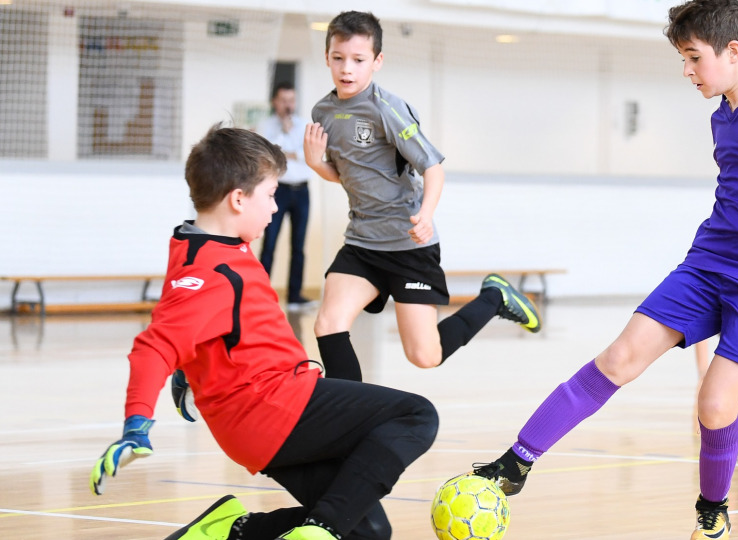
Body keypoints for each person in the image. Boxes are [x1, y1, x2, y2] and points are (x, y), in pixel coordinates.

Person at [470, 1, 738, 538]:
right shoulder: (721, 115)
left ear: (733, 51)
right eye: (681, 59)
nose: (686, 71)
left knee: (714, 404)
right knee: (619, 358)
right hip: (710, 261)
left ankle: (713, 509)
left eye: (692, 58)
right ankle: (516, 462)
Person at [89, 124, 438, 540]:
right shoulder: (211, 272)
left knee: (368, 531)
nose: (275, 209)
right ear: (238, 199)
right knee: (416, 415)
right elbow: (156, 345)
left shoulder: (206, 246)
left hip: (259, 425)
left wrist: (192, 368)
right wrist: (136, 425)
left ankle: (230, 531)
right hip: (275, 408)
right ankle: (320, 530)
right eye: (271, 195)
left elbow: (209, 328)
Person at [303, 11, 541, 382]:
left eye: (358, 60)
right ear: (327, 57)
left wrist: (426, 214)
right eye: (338, 58)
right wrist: (316, 165)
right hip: (363, 243)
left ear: (377, 61)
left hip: (408, 246)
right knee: (328, 323)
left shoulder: (388, 109)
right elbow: (354, 177)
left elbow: (433, 168)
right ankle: (349, 416)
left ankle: (495, 298)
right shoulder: (324, 112)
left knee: (425, 356)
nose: (346, 68)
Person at [257, 81, 317, 311]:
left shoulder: (304, 126)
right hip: (277, 191)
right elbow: (268, 156)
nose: (288, 105)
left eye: (291, 100)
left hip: (301, 191)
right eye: (283, 100)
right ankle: (260, 296)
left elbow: (308, 156)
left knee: (299, 245)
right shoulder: (266, 126)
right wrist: (284, 134)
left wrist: (288, 146)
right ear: (275, 102)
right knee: (270, 242)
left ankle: (294, 296)